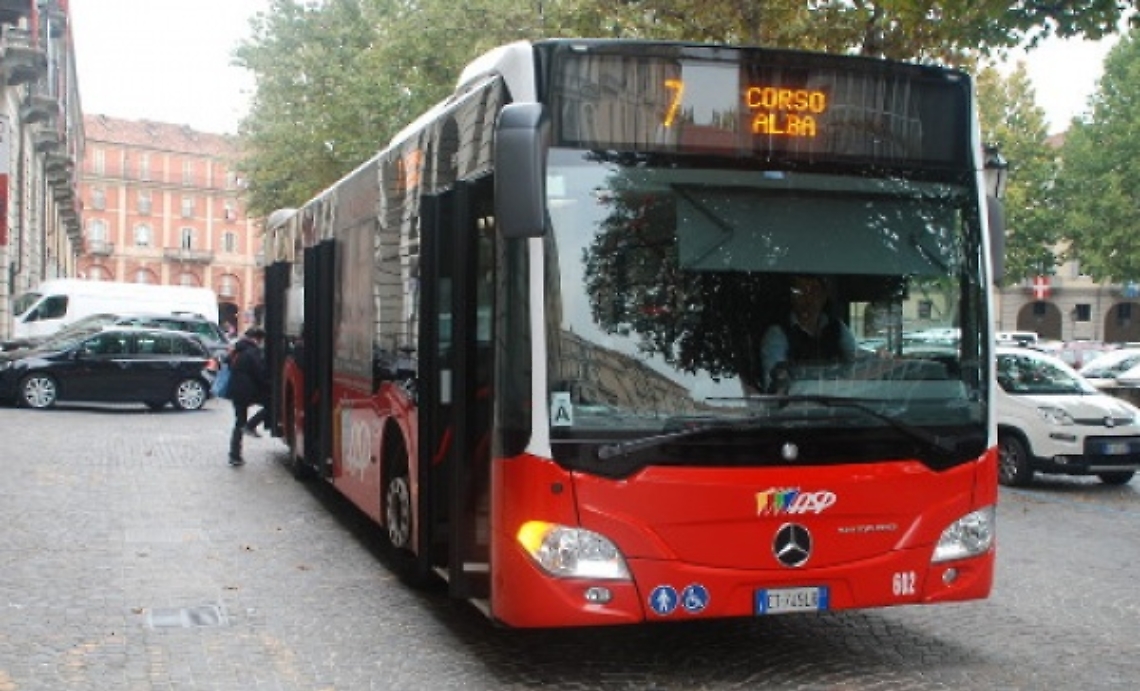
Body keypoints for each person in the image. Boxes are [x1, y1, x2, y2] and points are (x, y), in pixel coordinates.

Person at [760, 274, 856, 392]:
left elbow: (856, 363)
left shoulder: (838, 328)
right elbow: (775, 384)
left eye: (814, 291)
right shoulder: (777, 333)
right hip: (797, 402)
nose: (808, 298)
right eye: (800, 291)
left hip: (840, 401)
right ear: (792, 296)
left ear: (824, 296)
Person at [227, 326, 270, 466]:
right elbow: (259, 373)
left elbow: (228, 363)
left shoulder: (238, 349)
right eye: (261, 340)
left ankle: (234, 455)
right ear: (257, 339)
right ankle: (251, 425)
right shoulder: (252, 352)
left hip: (236, 390)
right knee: (271, 404)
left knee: (239, 421)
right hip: (248, 391)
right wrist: (268, 385)